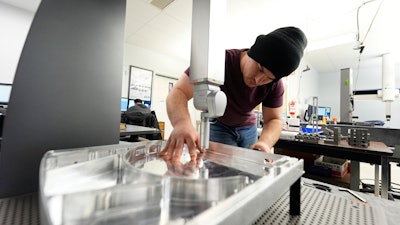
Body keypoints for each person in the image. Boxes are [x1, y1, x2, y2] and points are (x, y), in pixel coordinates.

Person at [160, 26, 307, 161]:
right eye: (260, 68)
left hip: (249, 128)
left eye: (268, 78)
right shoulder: (218, 61)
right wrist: (182, 123)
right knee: (217, 172)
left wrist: (265, 142)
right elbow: (178, 92)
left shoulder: (275, 85)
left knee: (248, 171)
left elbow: (274, 120)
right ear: (252, 52)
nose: (258, 79)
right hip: (219, 125)